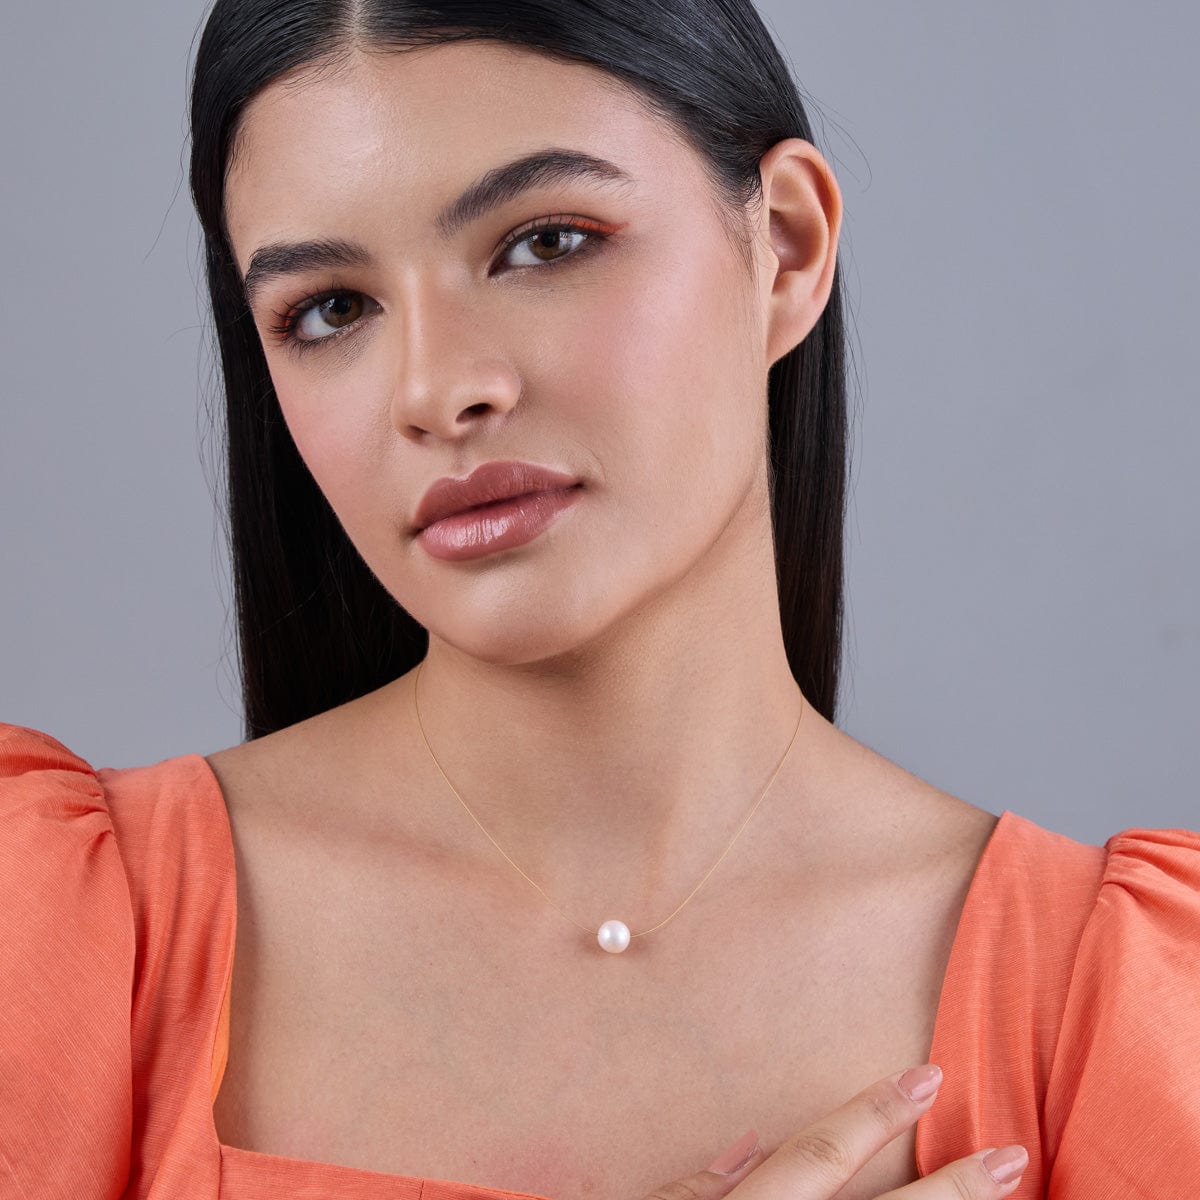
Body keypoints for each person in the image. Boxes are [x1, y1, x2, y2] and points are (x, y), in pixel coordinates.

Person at [1, 2, 1196, 1198]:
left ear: (785, 248)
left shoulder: (1129, 1010)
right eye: (332, 308)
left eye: (545, 243)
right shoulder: (47, 923)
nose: (437, 390)